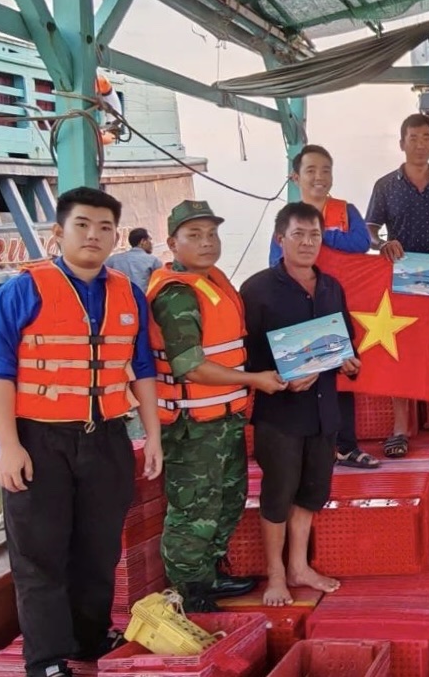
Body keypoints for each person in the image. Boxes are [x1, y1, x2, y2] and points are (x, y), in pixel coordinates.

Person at [0, 186, 163, 677]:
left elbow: (142, 368)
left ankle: (89, 639)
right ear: (59, 232)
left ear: (116, 236)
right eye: (82, 225)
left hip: (106, 438)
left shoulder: (128, 294)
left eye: (105, 227)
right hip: (39, 441)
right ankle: (45, 660)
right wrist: (8, 446)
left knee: (99, 549)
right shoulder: (21, 291)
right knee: (40, 555)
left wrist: (153, 436)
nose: (93, 235)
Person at [147, 200, 286, 612]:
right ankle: (188, 593)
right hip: (193, 428)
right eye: (194, 235)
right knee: (194, 511)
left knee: (228, 500)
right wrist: (254, 380)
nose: (207, 242)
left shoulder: (213, 281)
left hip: (224, 420)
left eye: (211, 234)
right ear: (173, 243)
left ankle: (208, 576)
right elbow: (190, 366)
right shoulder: (176, 295)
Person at [242, 202, 361, 606]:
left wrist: (349, 361)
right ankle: (276, 574)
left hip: (324, 410)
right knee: (278, 493)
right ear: (281, 239)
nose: (308, 243)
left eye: (315, 235)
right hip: (280, 414)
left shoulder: (330, 287)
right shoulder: (257, 290)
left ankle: (298, 567)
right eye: (299, 234)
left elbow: (344, 341)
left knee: (312, 491)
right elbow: (245, 356)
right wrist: (282, 376)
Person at [366, 113, 429, 458]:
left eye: (427, 137)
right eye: (414, 137)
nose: (421, 144)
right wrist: (382, 244)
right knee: (401, 350)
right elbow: (369, 228)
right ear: (402, 143)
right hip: (400, 280)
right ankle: (400, 429)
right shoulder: (385, 185)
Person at [270, 144, 378, 470]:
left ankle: (345, 447)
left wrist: (322, 236)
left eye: (326, 170)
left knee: (341, 378)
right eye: (311, 170)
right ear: (295, 177)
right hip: (300, 307)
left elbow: (362, 243)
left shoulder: (346, 210)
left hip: (336, 305)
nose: (319, 177)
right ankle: (308, 451)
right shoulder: (287, 217)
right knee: (303, 381)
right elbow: (274, 262)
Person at [105, 227, 162, 292]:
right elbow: (161, 285)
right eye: (150, 239)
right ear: (143, 241)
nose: (152, 243)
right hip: (143, 298)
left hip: (119, 298)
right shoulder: (153, 261)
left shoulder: (113, 260)